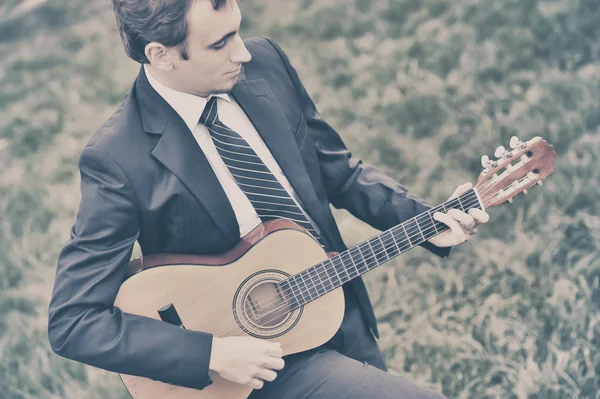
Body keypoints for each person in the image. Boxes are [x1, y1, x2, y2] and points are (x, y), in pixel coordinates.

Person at [47, 0, 489, 397]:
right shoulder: (117, 159)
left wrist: (430, 222)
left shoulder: (265, 64)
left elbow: (335, 169)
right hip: (249, 367)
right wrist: (209, 354)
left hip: (335, 300)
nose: (242, 52)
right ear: (160, 54)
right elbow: (74, 320)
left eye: (237, 30)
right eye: (220, 44)